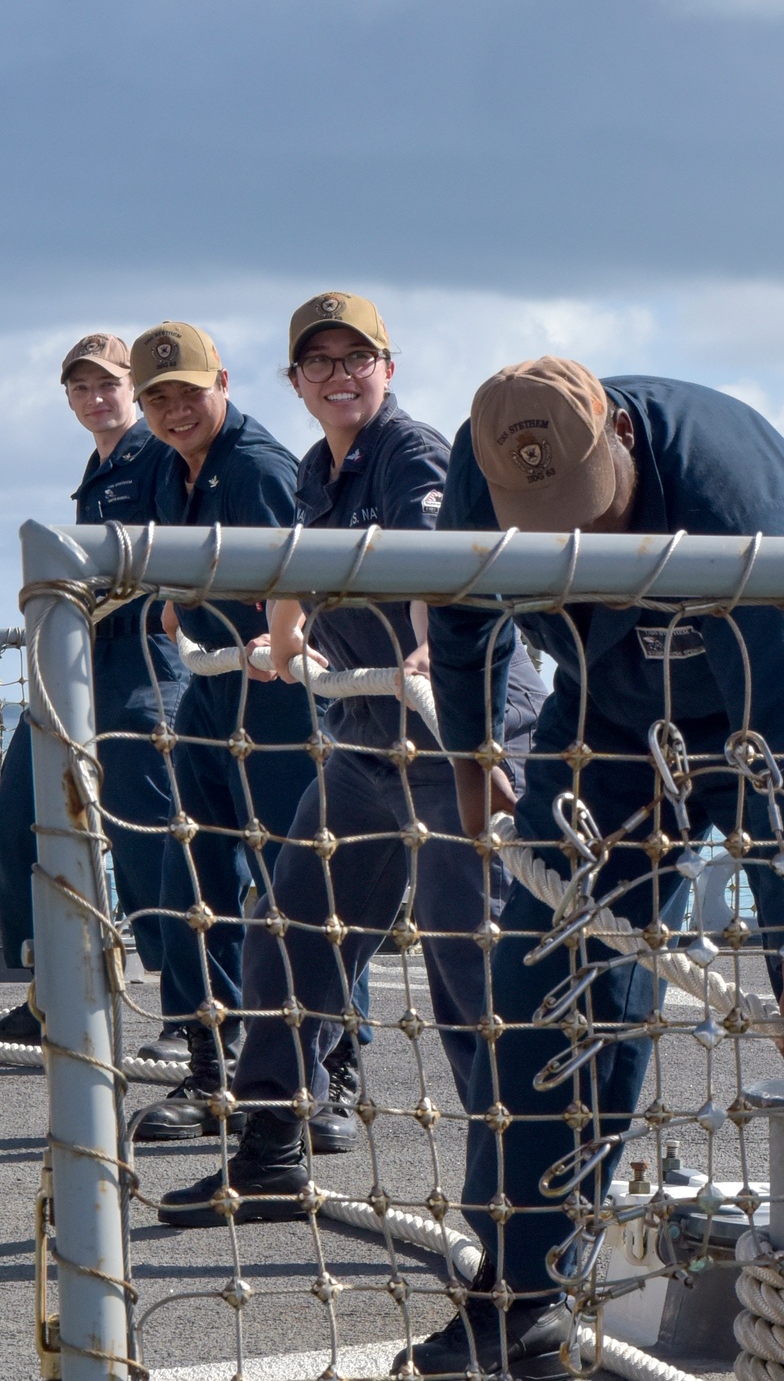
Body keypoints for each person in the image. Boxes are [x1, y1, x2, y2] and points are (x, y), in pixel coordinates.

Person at [397, 358, 784, 1376]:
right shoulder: (485, 463)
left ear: (619, 435)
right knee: (548, 964)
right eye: (546, 524)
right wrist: (474, 757)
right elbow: (467, 615)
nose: (574, 540)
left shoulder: (740, 497)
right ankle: (519, 1296)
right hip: (614, 699)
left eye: (586, 512)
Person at [157, 291, 545, 1226]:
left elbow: (422, 558)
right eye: (318, 362)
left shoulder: (414, 452)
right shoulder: (316, 472)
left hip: (461, 736)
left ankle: (521, 1209)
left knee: (471, 977)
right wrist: (281, 637)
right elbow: (301, 564)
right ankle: (270, 1154)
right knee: (288, 933)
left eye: (355, 358)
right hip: (369, 744)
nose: (339, 375)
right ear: (295, 382)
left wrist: (422, 647)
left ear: (388, 368)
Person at [129, 320, 345, 1143]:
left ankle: (329, 1072)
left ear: (222, 381)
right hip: (213, 686)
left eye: (188, 391)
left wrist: (276, 631)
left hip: (282, 689)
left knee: (301, 880)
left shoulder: (257, 467)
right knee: (190, 867)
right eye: (159, 398)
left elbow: (303, 570)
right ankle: (213, 1066)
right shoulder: (171, 468)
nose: (175, 410)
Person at [0, 334, 188, 1056]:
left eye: (107, 385)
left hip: (143, 665)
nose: (94, 399)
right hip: (76, 662)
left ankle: (185, 1012)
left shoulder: (159, 458)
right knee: (23, 814)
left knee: (151, 840)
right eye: (79, 388)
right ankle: (50, 988)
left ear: (134, 390)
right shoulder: (97, 466)